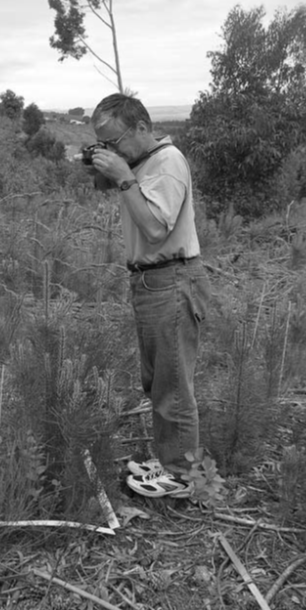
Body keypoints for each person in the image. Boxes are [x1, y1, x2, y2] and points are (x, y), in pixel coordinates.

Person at [87, 93, 211, 498]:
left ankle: (181, 476)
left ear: (142, 127)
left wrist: (124, 176)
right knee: (158, 381)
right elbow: (122, 190)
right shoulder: (142, 162)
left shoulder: (167, 162)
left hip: (171, 279)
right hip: (151, 281)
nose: (112, 150)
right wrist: (106, 170)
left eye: (115, 141)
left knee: (173, 386)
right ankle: (171, 459)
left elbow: (156, 229)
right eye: (103, 144)